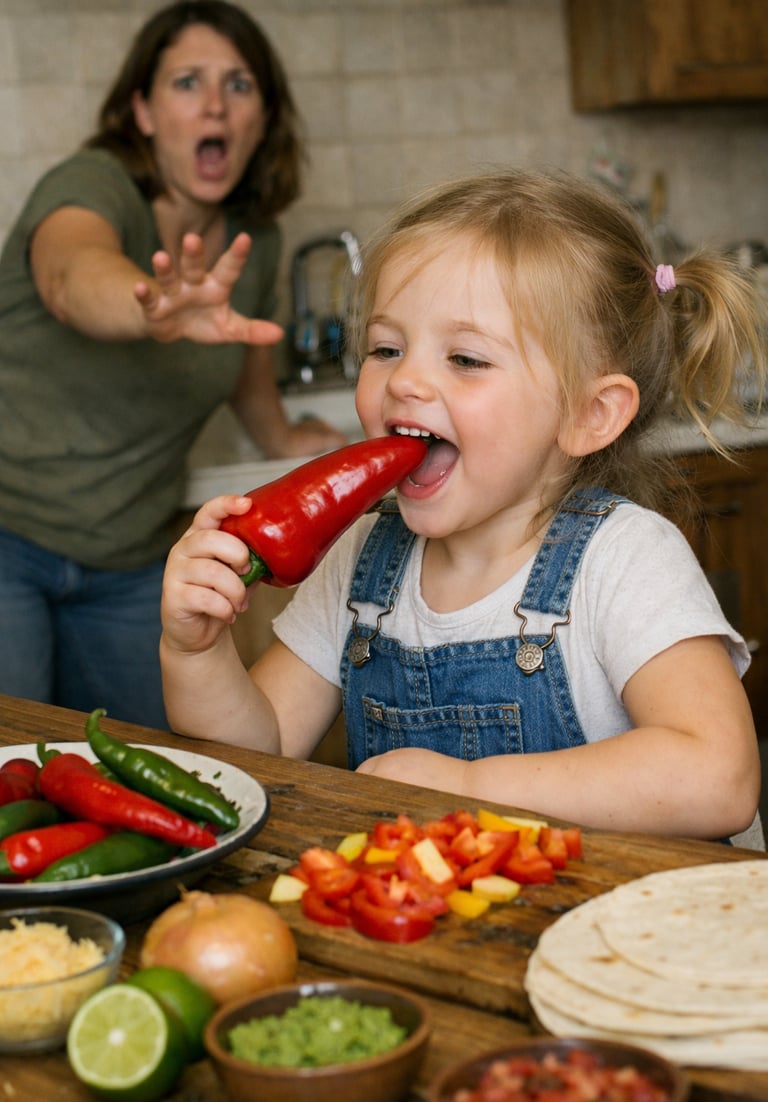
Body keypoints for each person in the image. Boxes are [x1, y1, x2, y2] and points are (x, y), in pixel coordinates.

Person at [160, 168, 767, 846]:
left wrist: (469, 790)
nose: (407, 379)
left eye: (467, 359)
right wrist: (196, 653)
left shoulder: (625, 560)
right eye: (386, 348)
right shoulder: (362, 561)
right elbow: (260, 751)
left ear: (590, 415)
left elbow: (721, 778)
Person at [0, 0, 346, 729]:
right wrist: (152, 305)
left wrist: (280, 437)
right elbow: (72, 277)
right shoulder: (92, 184)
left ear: (263, 118)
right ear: (143, 112)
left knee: (162, 778)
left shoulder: (255, 238)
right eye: (187, 82)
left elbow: (242, 352)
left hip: (131, 558)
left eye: (240, 85)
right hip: (9, 539)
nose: (215, 103)